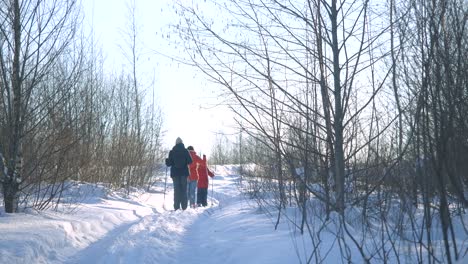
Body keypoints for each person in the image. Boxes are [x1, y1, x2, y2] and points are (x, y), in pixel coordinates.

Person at [165, 137, 192, 210]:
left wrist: (167, 160)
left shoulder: (172, 151)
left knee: (177, 190)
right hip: (184, 173)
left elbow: (169, 164)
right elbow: (190, 161)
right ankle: (184, 207)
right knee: (184, 190)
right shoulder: (186, 151)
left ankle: (176, 207)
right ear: (182, 143)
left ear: (176, 143)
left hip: (175, 174)